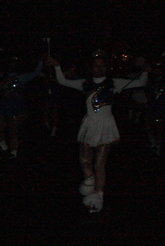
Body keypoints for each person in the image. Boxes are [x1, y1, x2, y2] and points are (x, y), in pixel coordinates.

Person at [47, 50, 148, 213]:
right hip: (89, 125)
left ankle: (98, 197)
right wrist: (57, 66)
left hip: (106, 125)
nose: (99, 68)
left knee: (99, 163)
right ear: (91, 68)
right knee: (84, 160)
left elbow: (141, 83)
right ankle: (89, 183)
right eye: (96, 65)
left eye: (102, 65)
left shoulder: (114, 82)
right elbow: (62, 81)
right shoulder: (84, 83)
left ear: (106, 68)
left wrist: (144, 70)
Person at [0, 56, 42, 157]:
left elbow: (35, 73)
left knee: (13, 129)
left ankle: (13, 152)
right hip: (5, 106)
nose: (11, 65)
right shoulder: (2, 77)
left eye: (14, 63)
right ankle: (3, 145)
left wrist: (40, 61)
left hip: (17, 106)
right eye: (10, 63)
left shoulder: (21, 77)